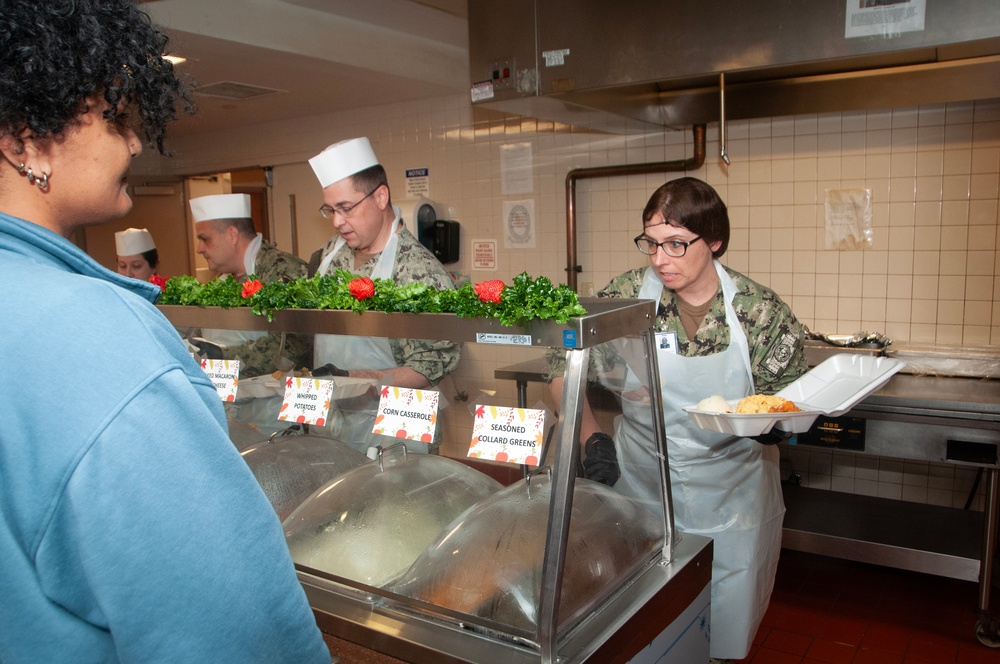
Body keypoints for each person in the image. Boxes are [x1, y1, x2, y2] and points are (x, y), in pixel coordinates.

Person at [0, 2, 330, 662]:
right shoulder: (93, 333)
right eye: (116, 117)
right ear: (26, 138)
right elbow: (233, 632)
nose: (133, 142)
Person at [549, 177, 808, 662]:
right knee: (642, 625)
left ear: (714, 241)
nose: (659, 259)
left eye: (675, 244)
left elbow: (794, 397)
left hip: (733, 496)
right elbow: (560, 363)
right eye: (651, 242)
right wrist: (591, 435)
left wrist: (781, 422)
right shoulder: (628, 296)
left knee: (724, 624)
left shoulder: (760, 313)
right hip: (642, 486)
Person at [308, 137, 460, 452]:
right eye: (330, 210)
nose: (337, 221)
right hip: (333, 421)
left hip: (397, 426)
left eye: (346, 208)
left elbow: (433, 362)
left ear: (380, 197)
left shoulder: (420, 271)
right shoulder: (329, 257)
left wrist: (360, 381)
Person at [189, 193, 312, 377]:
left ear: (232, 235)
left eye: (205, 239)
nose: (199, 248)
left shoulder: (282, 270)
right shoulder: (222, 280)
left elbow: (292, 349)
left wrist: (222, 356)